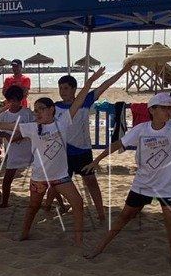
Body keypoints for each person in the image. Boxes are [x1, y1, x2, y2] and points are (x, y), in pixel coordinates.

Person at [83, 93, 171, 266]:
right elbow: (119, 144)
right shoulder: (141, 129)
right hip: (142, 184)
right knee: (124, 217)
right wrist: (97, 160)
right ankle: (99, 248)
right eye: (164, 108)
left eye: (169, 108)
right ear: (152, 110)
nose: (168, 111)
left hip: (166, 186)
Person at [55, 62, 129, 221]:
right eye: (60, 88)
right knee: (57, 184)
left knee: (91, 182)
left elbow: (105, 85)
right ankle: (53, 207)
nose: (62, 91)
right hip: (63, 152)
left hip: (82, 151)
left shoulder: (85, 101)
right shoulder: (55, 107)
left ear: (74, 89)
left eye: (66, 88)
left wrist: (123, 71)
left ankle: (101, 214)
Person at [14, 95, 86, 244]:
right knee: (33, 206)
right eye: (36, 110)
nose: (38, 113)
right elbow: (10, 126)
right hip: (39, 177)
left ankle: (78, 240)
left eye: (41, 109)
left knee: (78, 203)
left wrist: (89, 84)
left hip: (60, 177)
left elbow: (77, 102)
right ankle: (24, 233)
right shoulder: (33, 127)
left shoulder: (62, 122)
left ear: (52, 109)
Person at [0, 85, 35, 208]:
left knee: (39, 179)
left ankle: (40, 202)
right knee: (7, 179)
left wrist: (11, 137)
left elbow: (32, 130)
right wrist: (0, 136)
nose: (13, 103)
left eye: (16, 100)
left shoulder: (27, 113)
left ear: (20, 100)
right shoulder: (5, 115)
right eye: (10, 100)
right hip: (13, 153)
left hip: (28, 152)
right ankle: (5, 202)